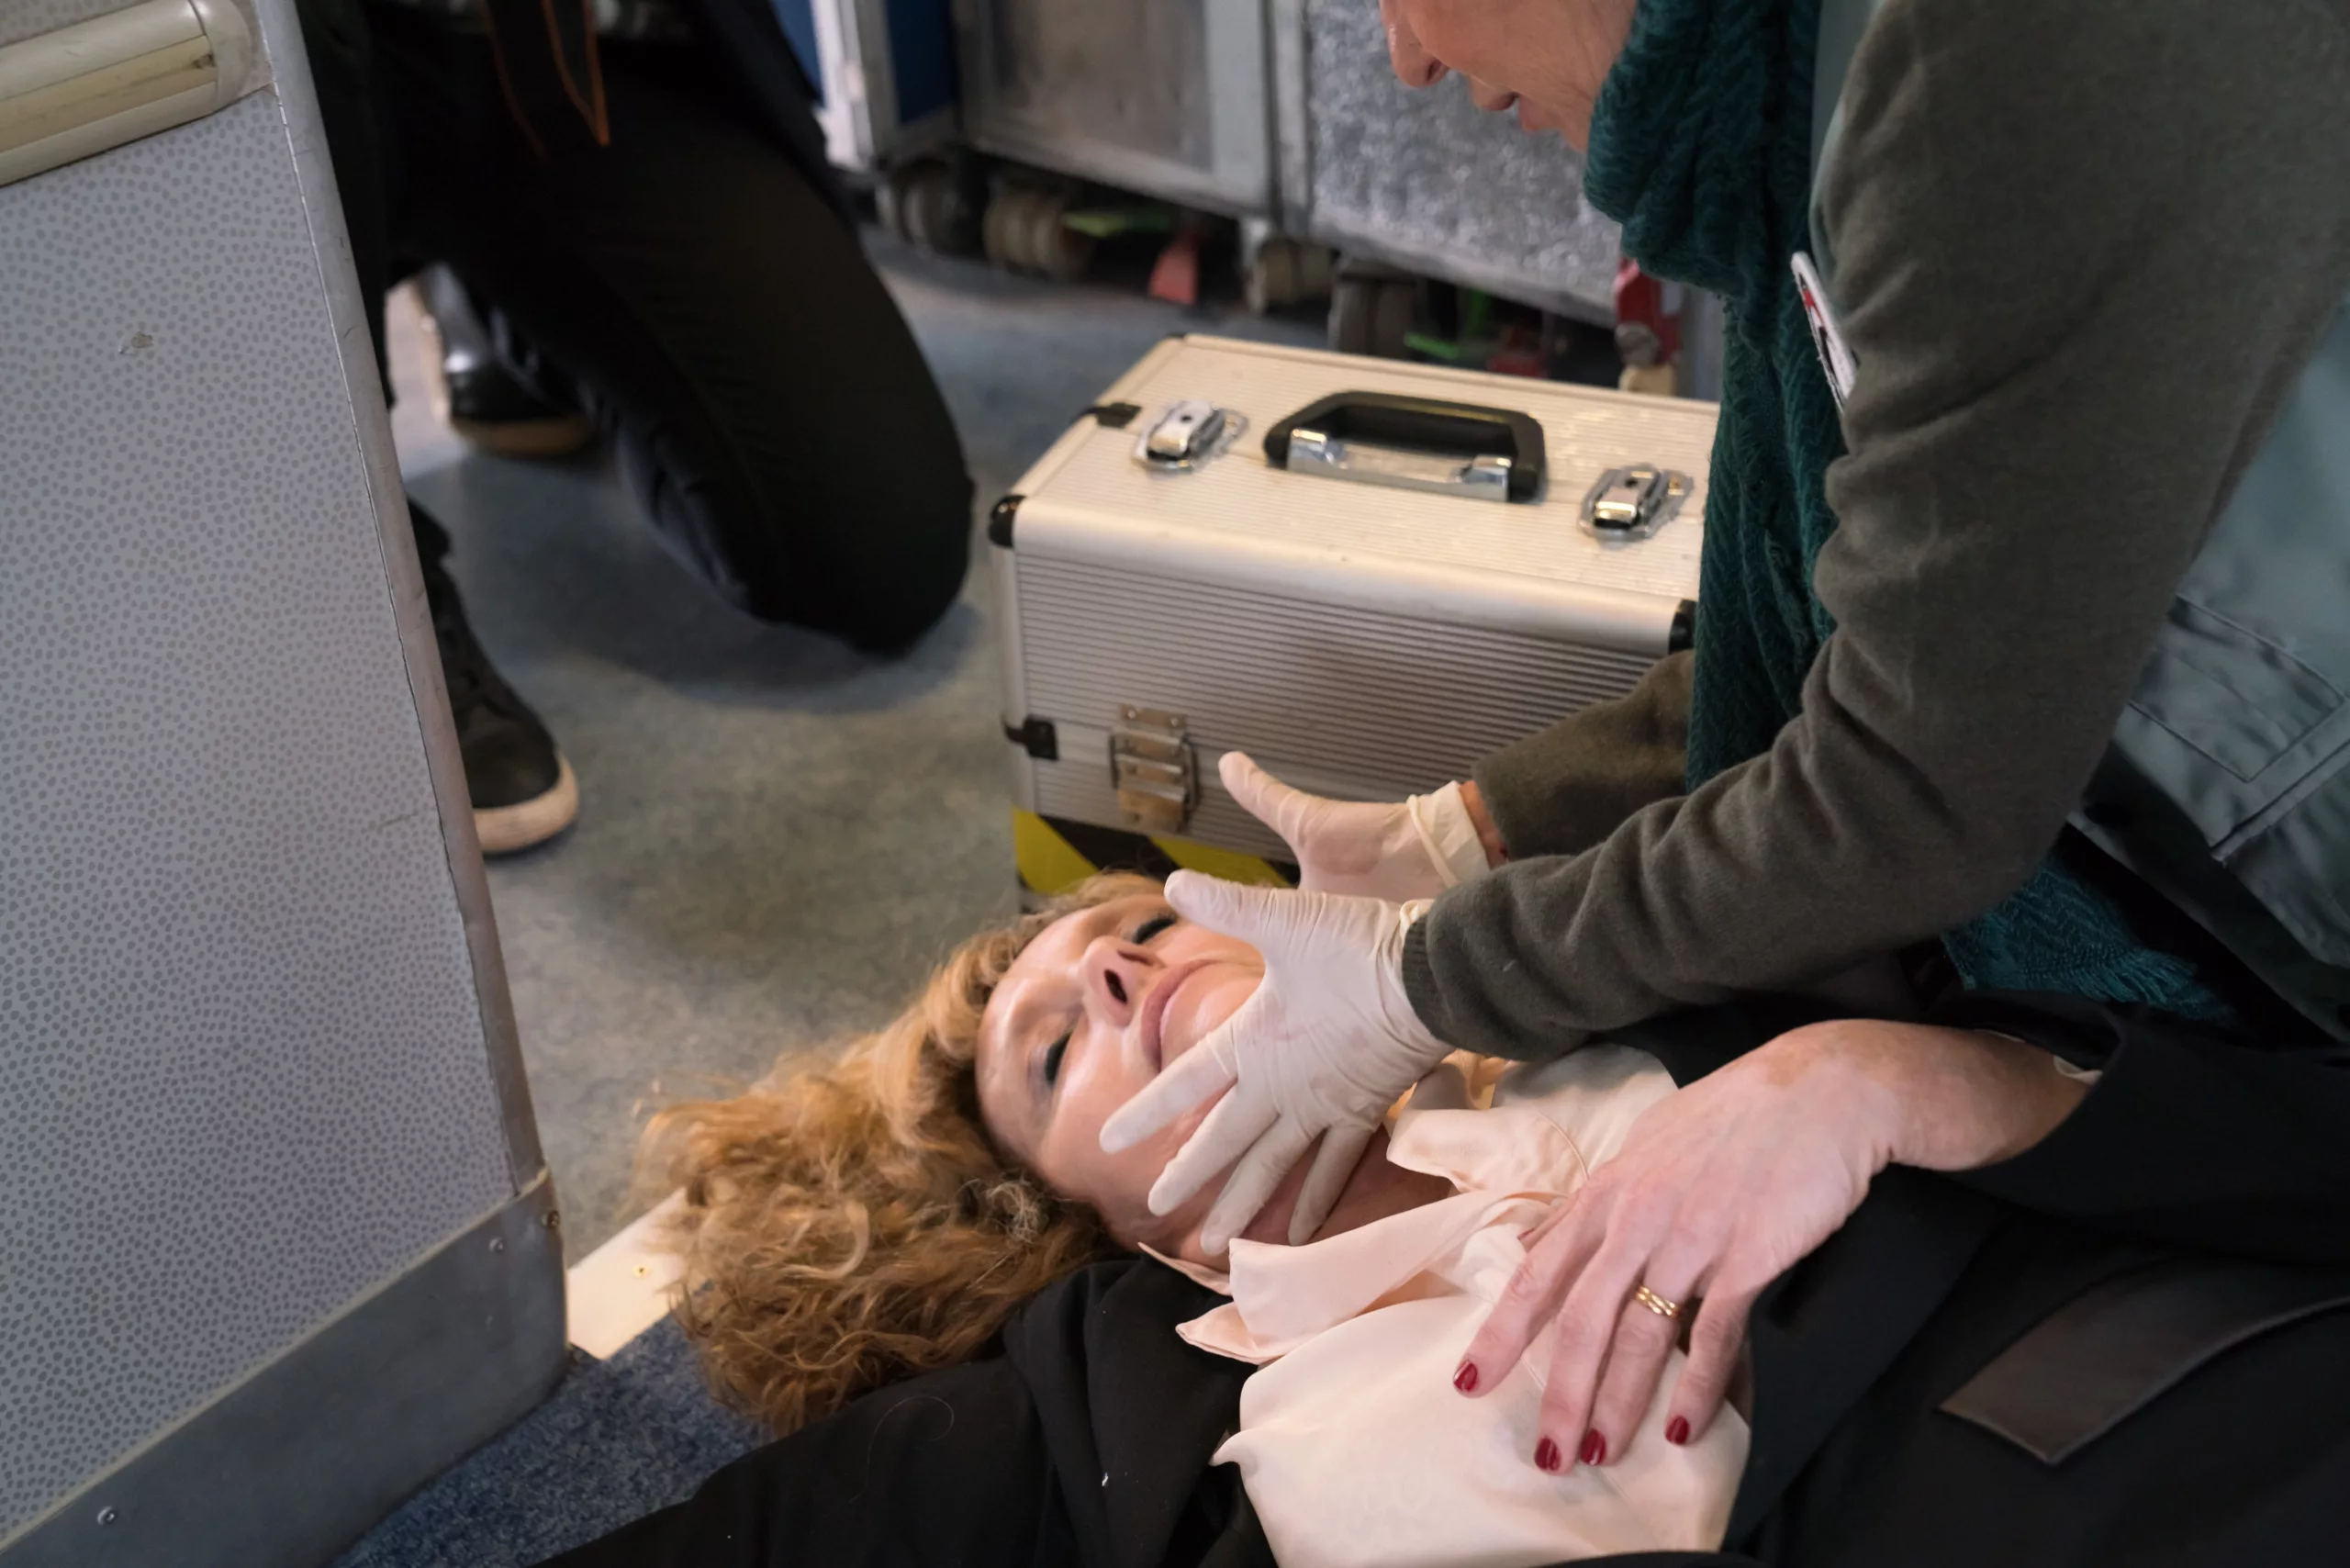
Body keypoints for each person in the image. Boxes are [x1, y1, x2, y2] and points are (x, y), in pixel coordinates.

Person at [1102, 0, 2350, 1484]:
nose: (1410, 62)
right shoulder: (1811, 109)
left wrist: (1427, 977)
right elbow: (1891, 618)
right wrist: (1465, 835)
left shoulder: (1997, 62)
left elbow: (1911, 780)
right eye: (1058, 1055)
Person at [539, 875, 2350, 1568]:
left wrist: (1878, 1079)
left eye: (1138, 929)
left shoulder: (1641, 992)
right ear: (1100, 1220)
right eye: (1055, 1045)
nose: (1115, 970)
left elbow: (2264, 1132)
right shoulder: (1235, 1424)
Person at [297, 0, 975, 852]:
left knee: (881, 551)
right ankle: (370, 583)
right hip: (304, 67)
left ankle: (508, 311)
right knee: (274, 67)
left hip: (571, 49)